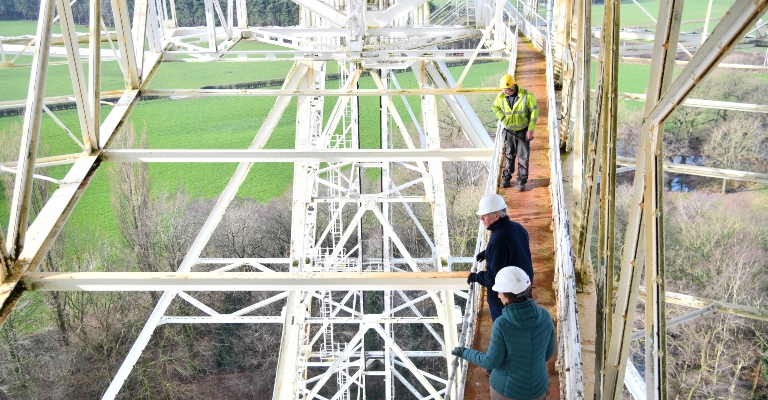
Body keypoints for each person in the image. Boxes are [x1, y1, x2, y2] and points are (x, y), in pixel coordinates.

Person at [452, 267, 555, 400]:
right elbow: (548, 354)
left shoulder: (502, 324)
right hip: (538, 389)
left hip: (507, 392)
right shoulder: (545, 316)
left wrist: (464, 352)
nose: (498, 295)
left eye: (500, 292)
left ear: (508, 295)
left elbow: (490, 362)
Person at [467, 193, 532, 321]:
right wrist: (488, 253)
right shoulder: (518, 228)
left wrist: (476, 276)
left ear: (496, 216)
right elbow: (514, 248)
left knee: (506, 333)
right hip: (524, 290)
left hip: (505, 301)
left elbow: (492, 279)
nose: (481, 219)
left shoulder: (497, 240)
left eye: (484, 215)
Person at [492, 74, 538, 191]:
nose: (505, 91)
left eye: (506, 89)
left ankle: (521, 181)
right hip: (509, 131)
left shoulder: (527, 95)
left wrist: (531, 130)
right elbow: (495, 107)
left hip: (523, 131)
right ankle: (506, 179)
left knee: (523, 157)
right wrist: (502, 118)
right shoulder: (501, 97)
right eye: (503, 89)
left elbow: (534, 112)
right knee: (509, 156)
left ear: (513, 86)